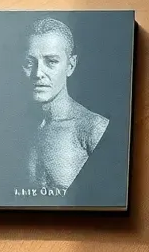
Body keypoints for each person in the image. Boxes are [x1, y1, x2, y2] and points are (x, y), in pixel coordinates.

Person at [21, 17, 109, 189]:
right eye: (29, 62)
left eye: (51, 61)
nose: (38, 73)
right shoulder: (13, 129)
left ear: (71, 65)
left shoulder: (93, 128)